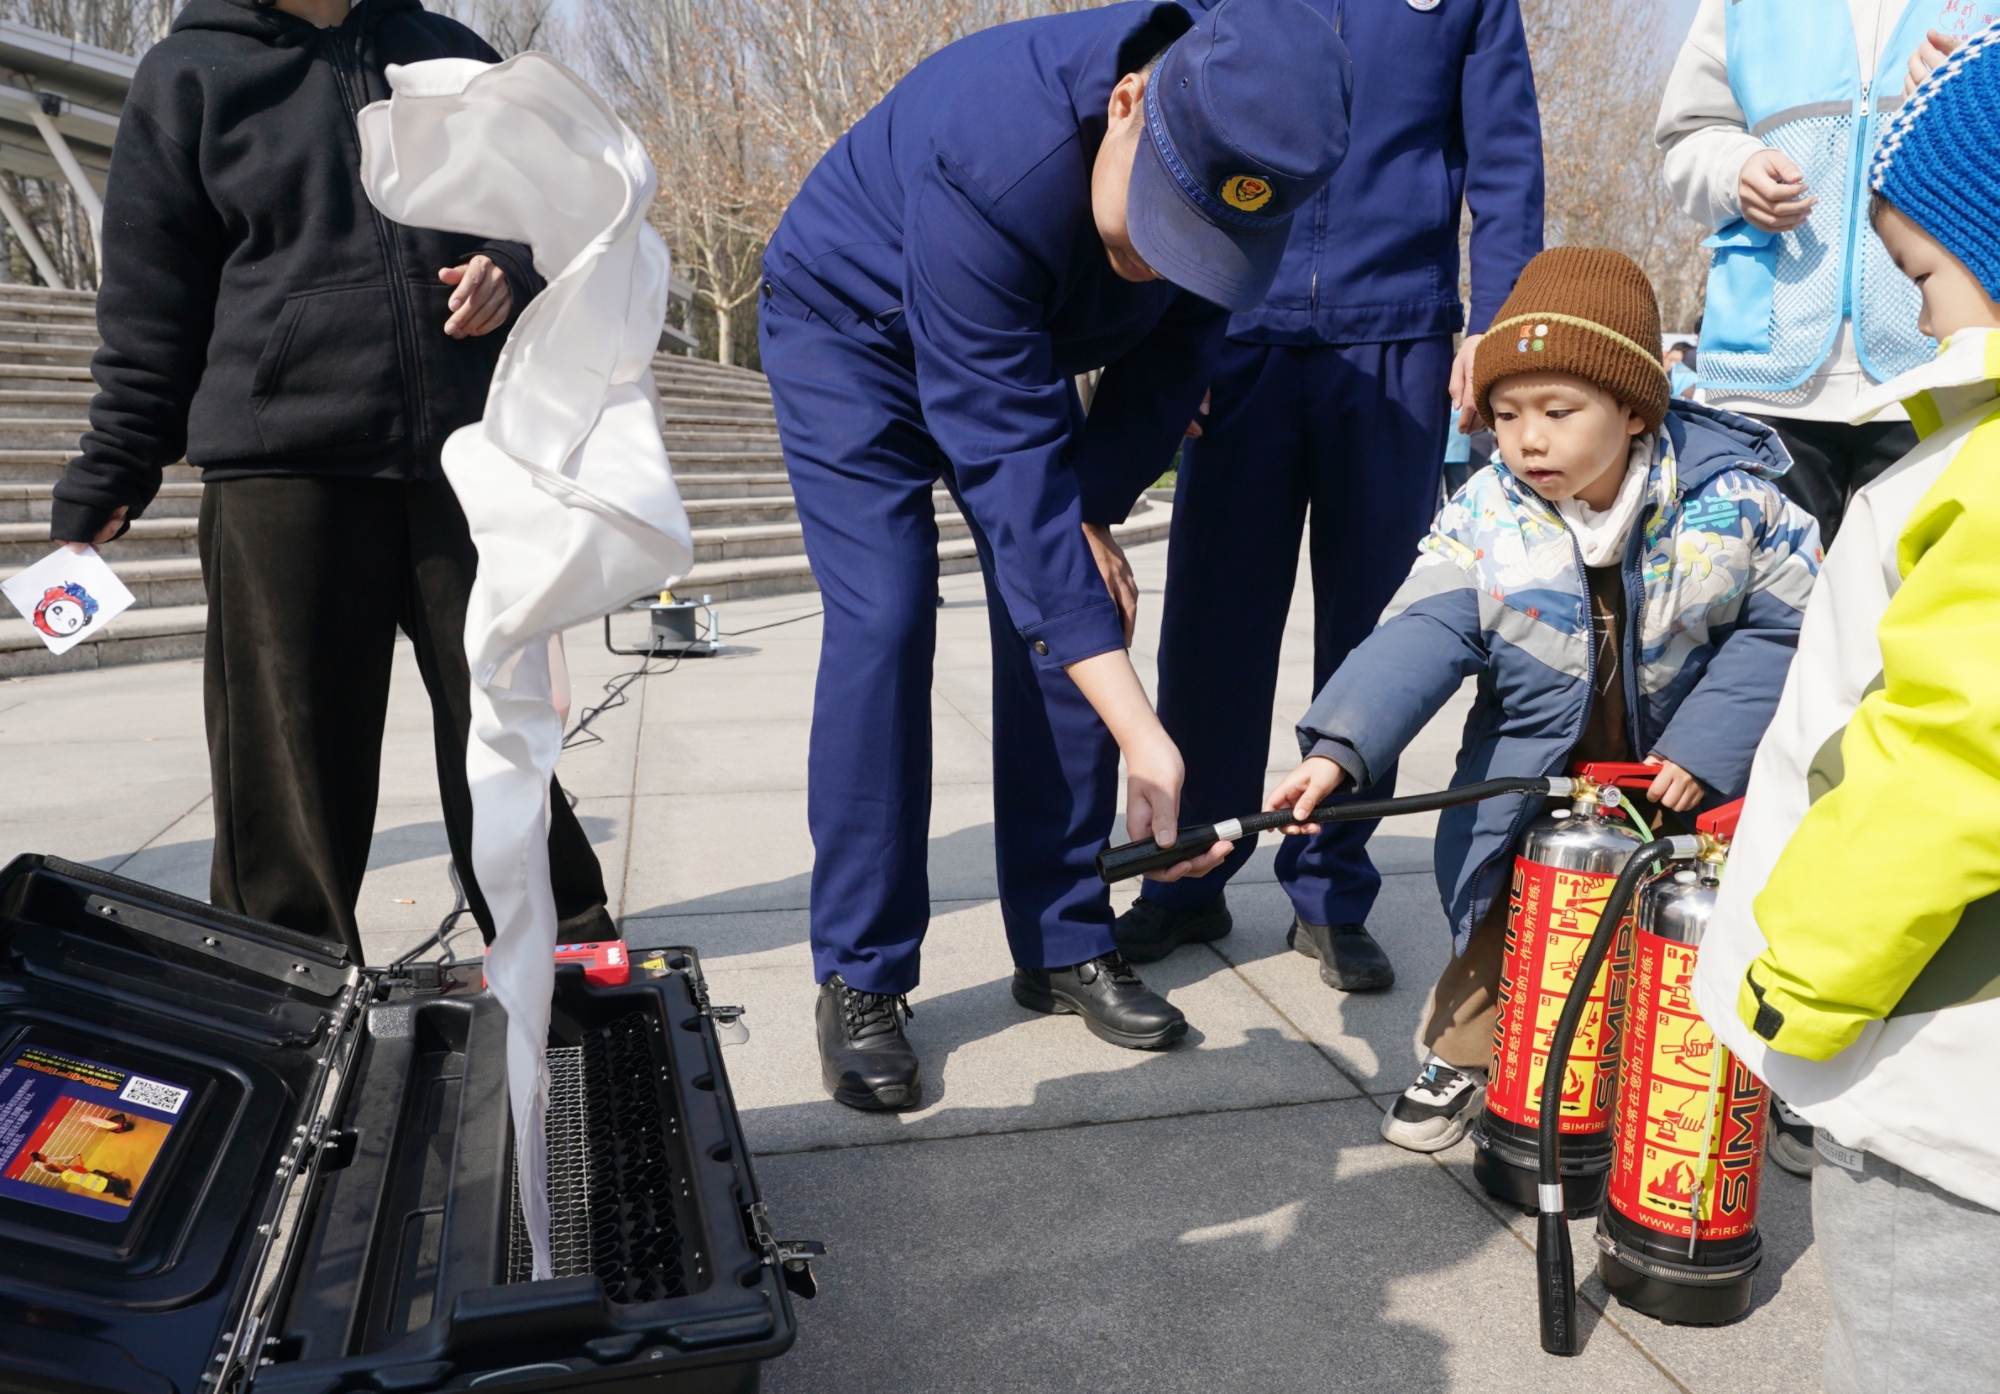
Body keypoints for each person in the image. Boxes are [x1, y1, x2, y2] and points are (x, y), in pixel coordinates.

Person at [759, 0, 1354, 1110]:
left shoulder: (1241, 152)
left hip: (1023, 344)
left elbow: (1171, 364)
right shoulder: (992, 148)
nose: (1158, 264)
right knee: (886, 616)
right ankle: (861, 972)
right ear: (1127, 104)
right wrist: (1144, 732)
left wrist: (1097, 512)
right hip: (854, 333)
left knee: (1076, 606)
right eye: (1156, 225)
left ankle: (1064, 936)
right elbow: (1006, 461)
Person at [45, 0, 617, 962]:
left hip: (468, 452)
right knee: (287, 754)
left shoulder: (451, 53)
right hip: (282, 466)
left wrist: (511, 269)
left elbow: (554, 210)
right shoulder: (190, 75)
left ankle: (563, 945)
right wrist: (114, 467)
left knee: (503, 721)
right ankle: (286, 972)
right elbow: (150, 300)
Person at [1264, 248, 1820, 1152]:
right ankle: (1460, 1055)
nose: (1527, 440)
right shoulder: (1487, 512)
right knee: (1505, 915)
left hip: (1693, 770)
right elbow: (1422, 627)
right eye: (1506, 414)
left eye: (1558, 412)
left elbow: (1789, 625)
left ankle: (1767, 1076)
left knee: (1725, 924)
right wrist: (1340, 746)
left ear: (1634, 408)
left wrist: (1707, 748)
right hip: (1538, 770)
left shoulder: (1734, 501)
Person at [1114, 0, 1544, 994]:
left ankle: (1331, 890)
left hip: (1398, 336)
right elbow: (1167, 121)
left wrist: (1498, 317)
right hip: (1235, 324)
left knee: (1373, 632)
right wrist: (1172, 329)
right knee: (1213, 627)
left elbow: (1505, 157)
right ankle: (1188, 874)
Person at [1691, 30, 2000, 1389]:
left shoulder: (1981, 476)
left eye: (1925, 276)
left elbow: (1948, 758)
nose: (1924, 321)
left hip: (1940, 1097)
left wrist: (1793, 981)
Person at [1655, 0, 2000, 547]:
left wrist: (1981, 93)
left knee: (1916, 585)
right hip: (1761, 378)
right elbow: (1687, 133)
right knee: (1753, 590)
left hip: (1939, 375)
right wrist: (1733, 170)